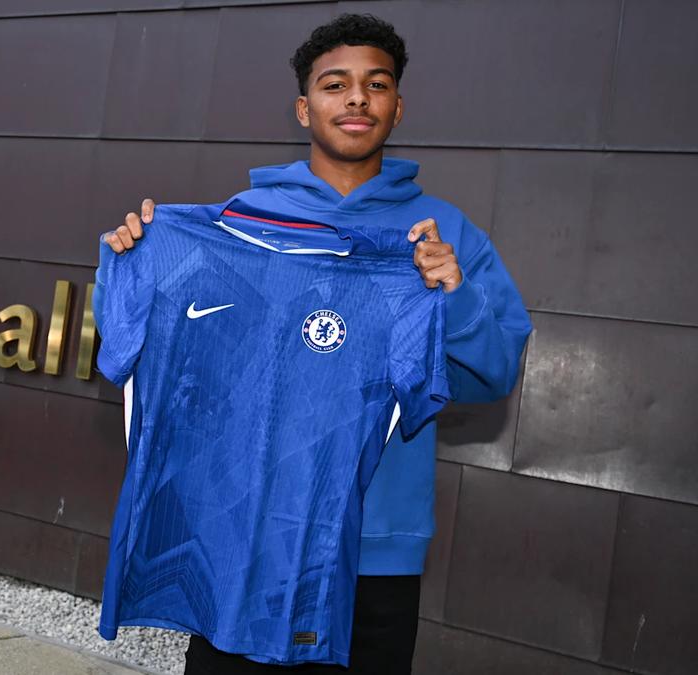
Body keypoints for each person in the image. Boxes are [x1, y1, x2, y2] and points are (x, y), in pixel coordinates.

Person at [97, 13, 532, 674]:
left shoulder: (444, 233)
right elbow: (152, 351)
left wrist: (455, 296)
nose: (357, 98)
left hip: (372, 554)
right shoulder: (241, 224)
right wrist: (129, 266)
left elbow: (493, 371)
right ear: (305, 107)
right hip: (242, 532)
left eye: (376, 84)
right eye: (336, 84)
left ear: (397, 106)